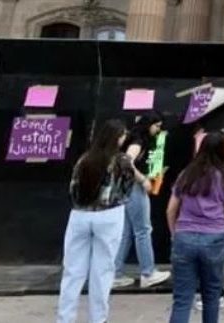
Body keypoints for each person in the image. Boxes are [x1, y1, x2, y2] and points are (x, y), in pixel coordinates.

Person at [57, 119, 150, 323]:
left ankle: (65, 318)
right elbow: (126, 190)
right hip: (109, 215)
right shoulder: (122, 161)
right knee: (102, 271)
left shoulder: (84, 159)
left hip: (80, 214)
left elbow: (73, 189)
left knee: (73, 272)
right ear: (117, 138)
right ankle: (98, 318)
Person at [166, 130, 224, 323]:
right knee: (211, 297)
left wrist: (175, 234)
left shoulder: (186, 175)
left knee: (182, 300)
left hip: (184, 237)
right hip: (215, 239)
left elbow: (170, 210)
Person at [112, 112, 171, 289]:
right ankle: (148, 272)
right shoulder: (138, 141)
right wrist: (143, 180)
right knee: (143, 230)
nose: (158, 130)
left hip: (123, 187)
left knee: (126, 232)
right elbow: (126, 162)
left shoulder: (132, 138)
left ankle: (115, 273)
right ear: (149, 125)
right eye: (157, 126)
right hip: (133, 187)